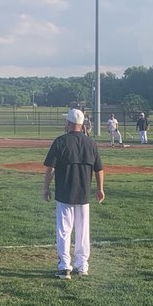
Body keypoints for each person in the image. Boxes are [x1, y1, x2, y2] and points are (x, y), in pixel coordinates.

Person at [43, 108, 105, 279]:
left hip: (64, 193)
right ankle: (82, 265)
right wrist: (100, 189)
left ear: (69, 123)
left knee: (64, 230)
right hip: (84, 194)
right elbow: (99, 169)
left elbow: (50, 168)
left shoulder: (60, 141)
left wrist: (46, 187)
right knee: (83, 231)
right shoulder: (90, 143)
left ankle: (64, 267)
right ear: (82, 124)